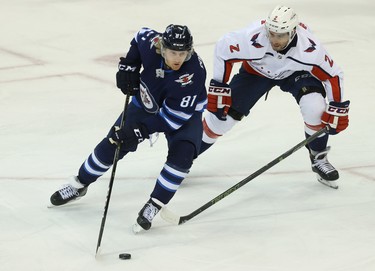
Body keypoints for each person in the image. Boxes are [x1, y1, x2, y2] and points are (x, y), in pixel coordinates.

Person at [50, 24, 207, 231]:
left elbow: (172, 120)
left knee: (183, 156)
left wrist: (140, 130)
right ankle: (79, 184)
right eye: (172, 52)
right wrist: (130, 65)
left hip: (183, 116)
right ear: (162, 46)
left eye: (182, 53)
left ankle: (154, 205)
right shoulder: (151, 43)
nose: (177, 58)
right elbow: (139, 34)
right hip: (146, 102)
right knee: (114, 142)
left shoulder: (193, 73)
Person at [200, 5, 349, 188]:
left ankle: (318, 158)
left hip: (296, 73)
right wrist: (219, 85)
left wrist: (337, 107)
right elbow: (224, 48)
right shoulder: (252, 37)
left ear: (292, 32)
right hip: (257, 72)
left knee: (315, 108)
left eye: (280, 35)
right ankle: (186, 156)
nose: (274, 40)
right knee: (221, 120)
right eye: (271, 33)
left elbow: (333, 75)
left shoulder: (309, 48)